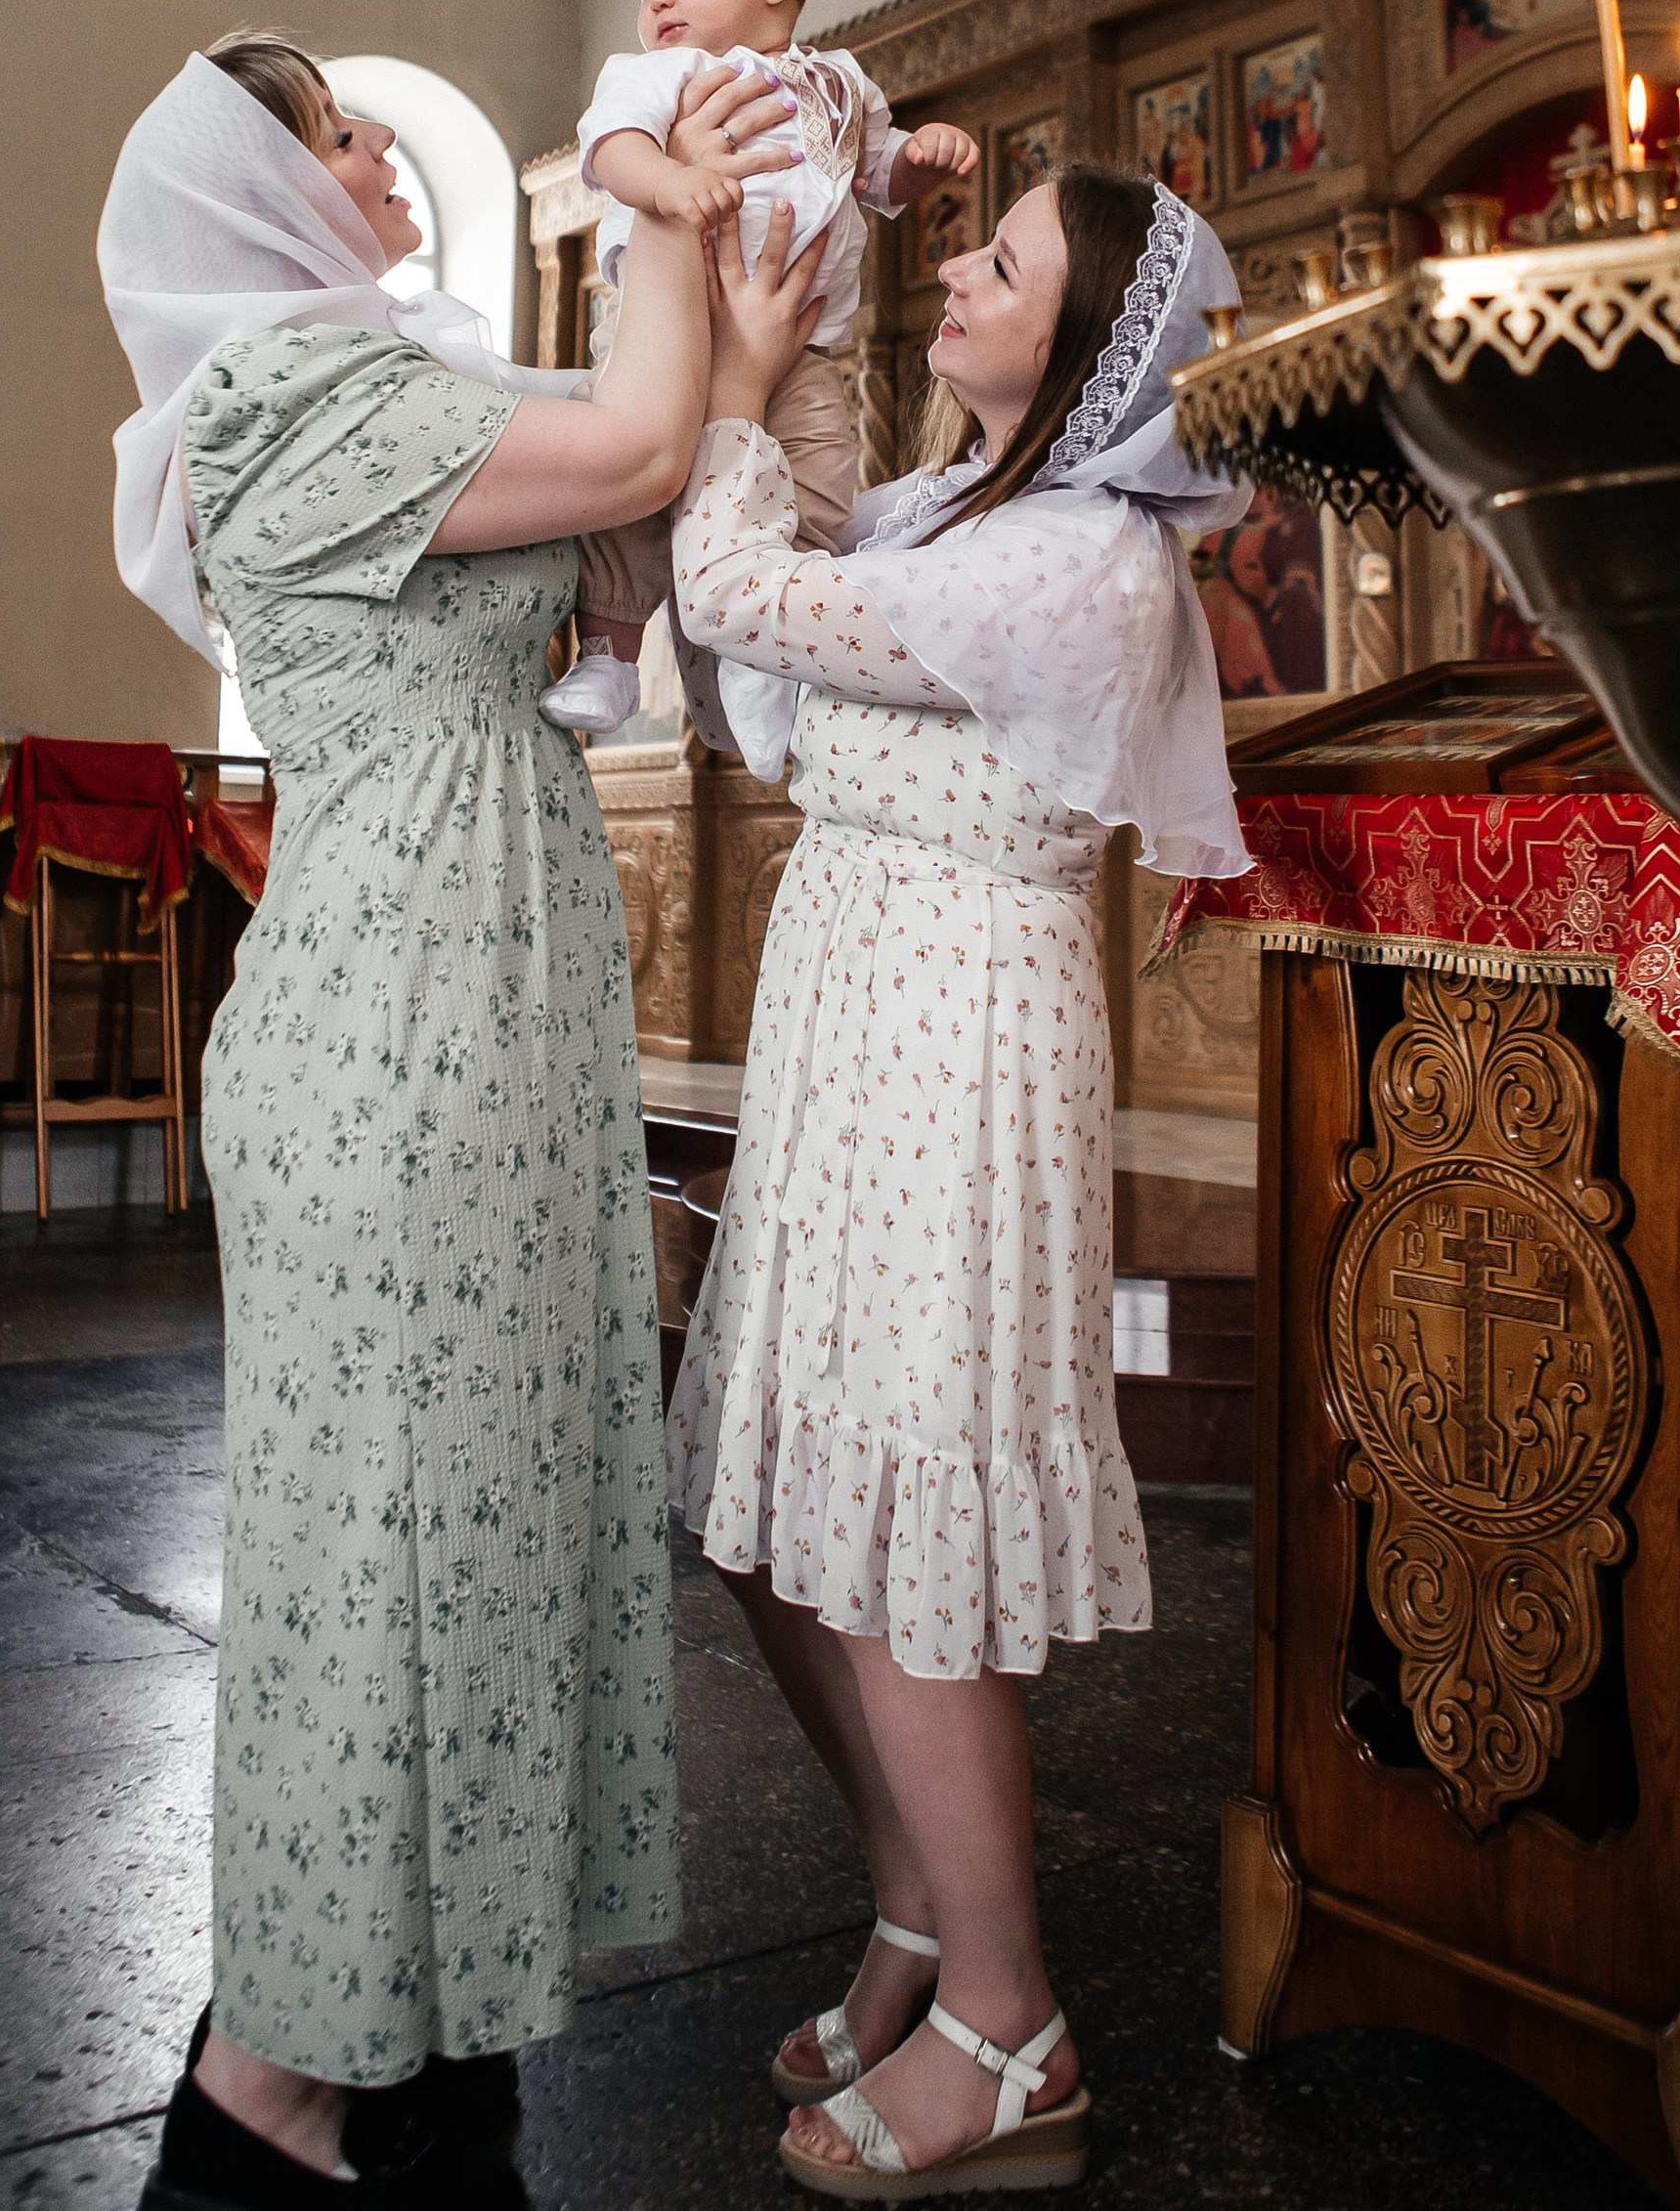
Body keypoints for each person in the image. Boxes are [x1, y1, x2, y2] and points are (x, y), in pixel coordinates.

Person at [97, 28, 792, 2211]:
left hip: (487, 966)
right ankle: (271, 2091)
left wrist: (738, 343)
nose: (379, 159)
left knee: (475, 1498)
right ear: (253, 195)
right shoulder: (282, 403)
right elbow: (635, 437)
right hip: (397, 989)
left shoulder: (402, 384)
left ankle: (417, 2025)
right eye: (336, 138)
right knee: (375, 1528)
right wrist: (663, 205)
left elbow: (637, 537)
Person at [664, 164, 1250, 2198]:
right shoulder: (951, 518)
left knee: (900, 1517)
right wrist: (789, 358)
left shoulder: (1080, 563)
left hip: (955, 1035)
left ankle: (1011, 2024)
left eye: (997, 265)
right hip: (846, 1006)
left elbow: (741, 590)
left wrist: (731, 384)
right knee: (771, 1513)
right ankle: (915, 1911)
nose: (957, 272)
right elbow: (769, 653)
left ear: (1085, 350)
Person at [544, 0, 977, 740]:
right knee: (629, 484)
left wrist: (917, 161)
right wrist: (667, 182)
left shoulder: (844, 84)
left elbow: (874, 165)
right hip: (664, 331)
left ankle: (770, 644)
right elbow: (612, 151)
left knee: (817, 479)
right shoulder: (660, 74)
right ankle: (610, 654)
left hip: (801, 349)